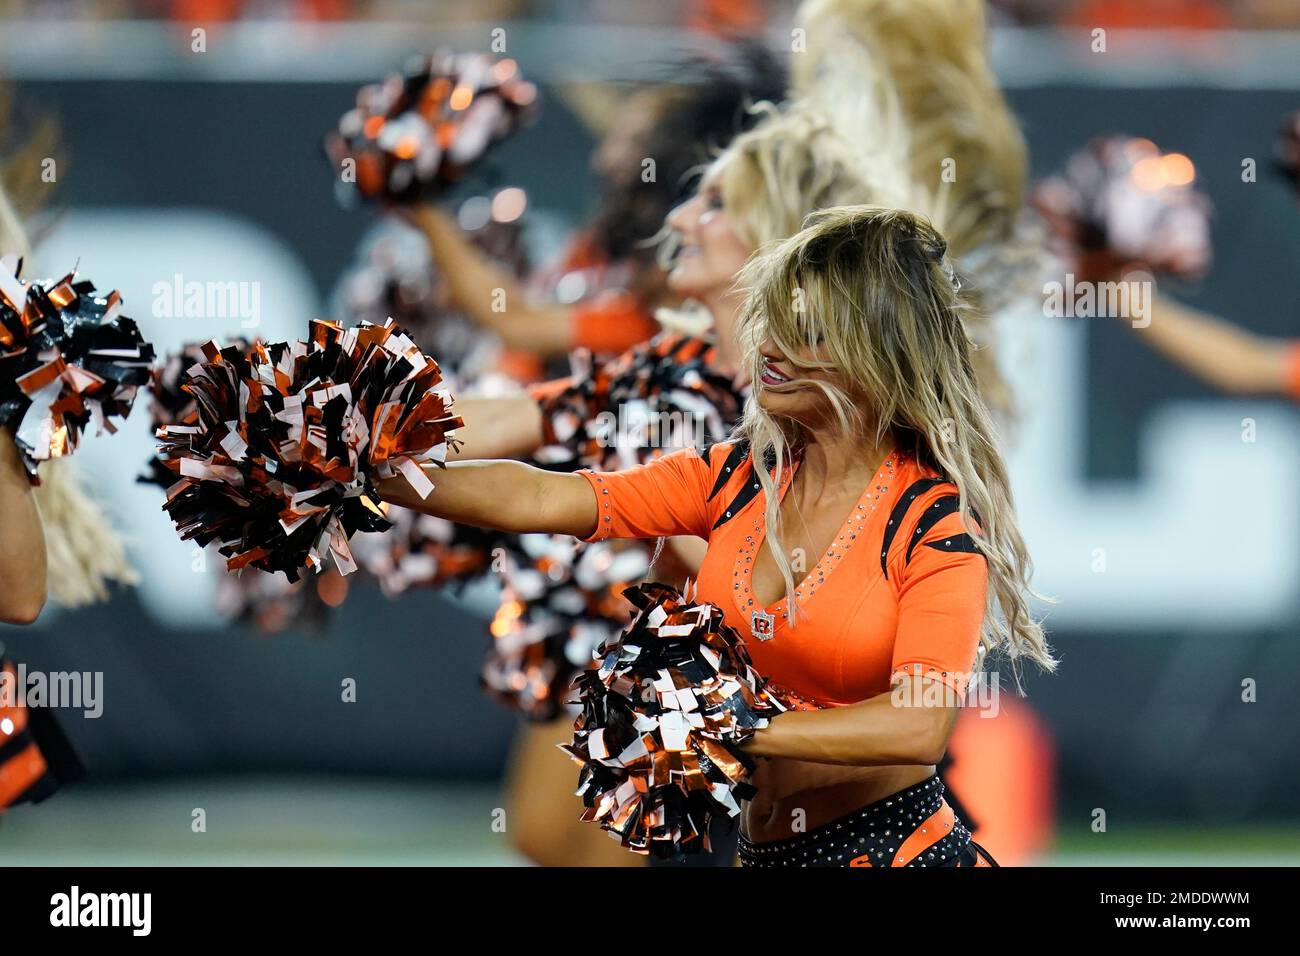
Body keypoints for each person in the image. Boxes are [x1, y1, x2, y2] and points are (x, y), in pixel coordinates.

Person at [377, 204, 1056, 867]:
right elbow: (542, 494)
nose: (771, 349)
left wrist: (737, 726)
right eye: (773, 323)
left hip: (892, 851)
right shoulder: (736, 476)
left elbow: (918, 727)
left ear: (874, 358)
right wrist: (370, 470)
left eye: (807, 332)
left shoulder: (929, 524)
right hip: (765, 853)